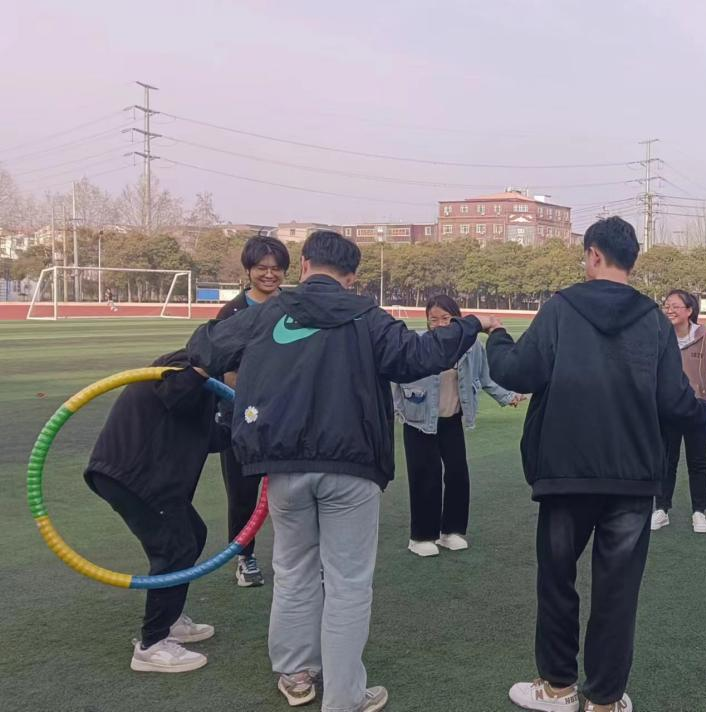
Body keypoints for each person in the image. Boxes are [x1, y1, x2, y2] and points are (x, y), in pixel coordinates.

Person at [187, 230, 496, 712]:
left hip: (285, 465)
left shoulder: (271, 311)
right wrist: (471, 324)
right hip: (352, 467)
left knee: (293, 572)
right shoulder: (368, 317)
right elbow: (420, 356)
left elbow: (204, 350)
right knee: (347, 583)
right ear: (351, 277)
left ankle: (296, 674)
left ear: (304, 264)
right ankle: (344, 696)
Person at [487, 217, 706, 712]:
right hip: (632, 478)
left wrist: (497, 335)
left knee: (557, 581)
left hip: (566, 472)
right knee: (617, 592)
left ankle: (557, 687)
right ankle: (605, 700)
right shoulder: (654, 320)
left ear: (593, 254)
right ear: (632, 259)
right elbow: (675, 402)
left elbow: (516, 371)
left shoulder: (561, 308)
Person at [83, 350, 219, 673]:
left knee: (193, 534)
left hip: (143, 474)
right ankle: (152, 644)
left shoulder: (201, 383)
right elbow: (175, 393)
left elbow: (209, 436)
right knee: (174, 547)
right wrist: (201, 371)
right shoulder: (184, 370)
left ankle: (170, 620)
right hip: (131, 473)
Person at [392, 294, 524, 558]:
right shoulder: (418, 344)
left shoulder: (472, 346)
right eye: (434, 319)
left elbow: (486, 378)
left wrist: (508, 396)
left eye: (446, 318)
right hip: (419, 422)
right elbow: (394, 377)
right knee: (425, 477)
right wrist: (395, 408)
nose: (440, 324)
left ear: (458, 319)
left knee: (457, 475)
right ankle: (421, 537)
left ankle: (451, 532)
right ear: (427, 321)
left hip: (451, 419)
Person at [215, 234, 290, 588]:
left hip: (288, 419)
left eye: (277, 268)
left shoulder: (294, 308)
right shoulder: (232, 312)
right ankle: (244, 557)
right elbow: (226, 371)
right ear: (248, 270)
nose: (269, 274)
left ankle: (296, 558)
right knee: (242, 493)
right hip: (241, 418)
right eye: (262, 268)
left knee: (292, 492)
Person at [650, 288, 706, 534]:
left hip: (699, 409)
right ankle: (661, 509)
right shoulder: (660, 338)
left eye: (675, 306)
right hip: (668, 409)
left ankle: (699, 512)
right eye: (667, 305)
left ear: (689, 311)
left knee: (697, 461)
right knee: (666, 460)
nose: (669, 310)